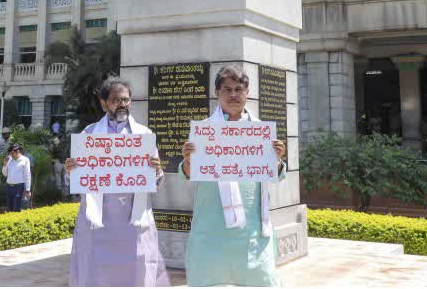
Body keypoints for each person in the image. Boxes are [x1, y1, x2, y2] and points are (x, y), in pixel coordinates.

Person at [181, 65, 288, 287]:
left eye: (238, 89)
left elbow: (275, 175)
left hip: (252, 232)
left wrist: (276, 159)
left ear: (247, 93)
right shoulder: (204, 131)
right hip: (211, 229)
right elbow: (188, 174)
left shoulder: (261, 131)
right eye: (226, 89)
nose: (233, 95)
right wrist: (190, 160)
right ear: (217, 93)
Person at [64, 77, 169, 286]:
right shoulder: (89, 134)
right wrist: (70, 171)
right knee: (97, 275)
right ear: (104, 104)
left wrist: (156, 170)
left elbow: (156, 181)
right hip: (98, 224)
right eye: (115, 100)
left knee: (137, 273)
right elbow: (74, 181)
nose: (122, 104)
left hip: (133, 224)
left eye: (126, 100)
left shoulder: (144, 135)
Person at [1, 143, 32, 212]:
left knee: (17, 208)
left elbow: (27, 175)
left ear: (17, 151)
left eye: (12, 153)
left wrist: (28, 189)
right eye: (10, 154)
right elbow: (5, 174)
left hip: (19, 187)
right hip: (9, 186)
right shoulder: (9, 159)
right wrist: (4, 165)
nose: (11, 155)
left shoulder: (25, 160)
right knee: (9, 208)